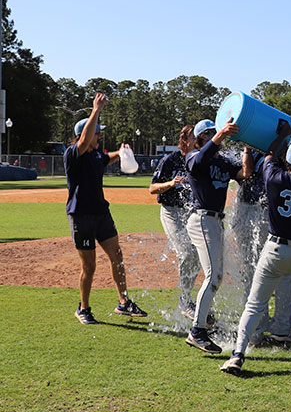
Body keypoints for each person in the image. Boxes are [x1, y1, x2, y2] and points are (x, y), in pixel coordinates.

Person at [220, 142, 291, 373]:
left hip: (276, 250)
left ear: (287, 162)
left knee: (254, 304)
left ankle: (238, 354)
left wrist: (277, 138)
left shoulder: (274, 180)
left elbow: (269, 156)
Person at [66, 92, 147, 324]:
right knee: (89, 266)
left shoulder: (95, 155)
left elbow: (106, 158)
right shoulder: (74, 154)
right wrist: (96, 110)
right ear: (84, 134)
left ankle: (123, 302)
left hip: (101, 213)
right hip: (81, 215)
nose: (99, 135)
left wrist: (120, 153)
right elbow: (83, 142)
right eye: (96, 132)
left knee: (117, 256)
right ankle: (83, 308)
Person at [183, 117, 254, 353]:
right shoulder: (193, 155)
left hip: (215, 222)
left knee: (216, 276)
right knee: (213, 276)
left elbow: (245, 173)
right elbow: (200, 160)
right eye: (210, 132)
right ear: (200, 137)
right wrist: (221, 133)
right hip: (202, 220)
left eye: (215, 131)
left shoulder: (222, 161)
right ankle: (197, 331)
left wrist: (247, 147)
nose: (216, 134)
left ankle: (203, 323)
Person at [232, 147, 291, 344]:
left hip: (255, 212)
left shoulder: (253, 151)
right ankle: (277, 329)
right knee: (281, 272)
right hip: (264, 213)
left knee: (255, 272)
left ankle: (256, 330)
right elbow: (248, 172)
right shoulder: (277, 152)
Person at [149, 125, 201, 318]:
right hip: (171, 212)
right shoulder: (170, 160)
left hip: (190, 212)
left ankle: (187, 298)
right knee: (186, 253)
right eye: (194, 137)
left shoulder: (199, 159)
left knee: (196, 255)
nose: (197, 140)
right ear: (184, 140)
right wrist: (171, 183)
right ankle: (185, 301)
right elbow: (152, 188)